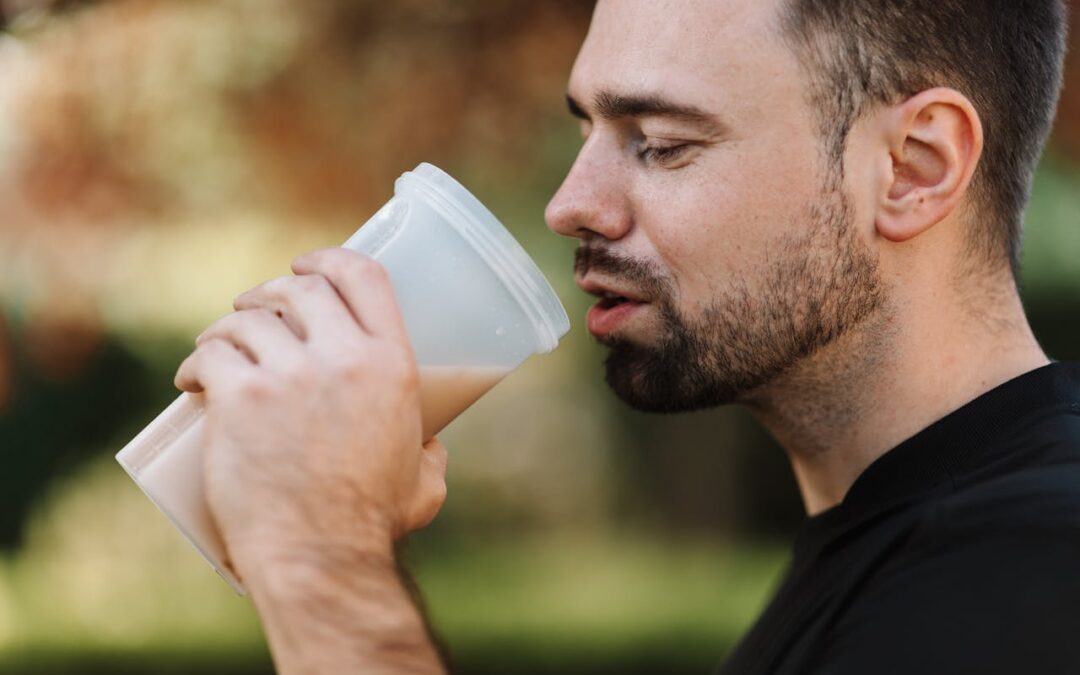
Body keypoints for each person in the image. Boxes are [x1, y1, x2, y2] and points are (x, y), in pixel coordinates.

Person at [174, 0, 1078, 672]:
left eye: (660, 143)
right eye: (588, 129)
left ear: (915, 168)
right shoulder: (892, 546)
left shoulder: (1032, 566)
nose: (573, 204)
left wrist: (322, 556)